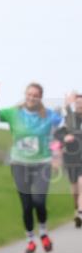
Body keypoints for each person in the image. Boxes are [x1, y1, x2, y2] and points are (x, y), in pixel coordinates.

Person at [0, 79, 63, 253]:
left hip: (42, 164)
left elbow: (65, 128)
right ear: (25, 95)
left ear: (40, 98)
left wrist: (57, 152)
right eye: (29, 94)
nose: (32, 98)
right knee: (27, 205)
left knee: (39, 202)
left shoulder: (49, 116)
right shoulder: (14, 113)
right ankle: (30, 240)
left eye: (36, 96)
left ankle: (43, 232)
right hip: (19, 164)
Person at [55, 91, 82, 228]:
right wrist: (64, 138)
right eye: (77, 103)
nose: (80, 105)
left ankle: (80, 213)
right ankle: (76, 210)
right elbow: (58, 133)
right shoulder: (68, 119)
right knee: (75, 190)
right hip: (71, 159)